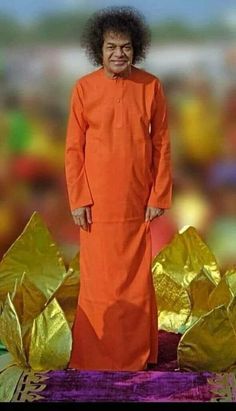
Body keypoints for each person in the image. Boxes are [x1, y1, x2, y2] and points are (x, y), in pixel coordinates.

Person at [65, 6, 172, 371]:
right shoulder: (83, 89)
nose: (118, 54)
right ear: (100, 48)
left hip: (136, 201)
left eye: (125, 47)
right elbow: (73, 149)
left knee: (135, 280)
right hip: (96, 204)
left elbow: (161, 144)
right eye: (111, 47)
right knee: (98, 282)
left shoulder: (151, 86)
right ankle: (94, 356)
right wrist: (78, 198)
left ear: (135, 49)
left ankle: (136, 357)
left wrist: (158, 195)